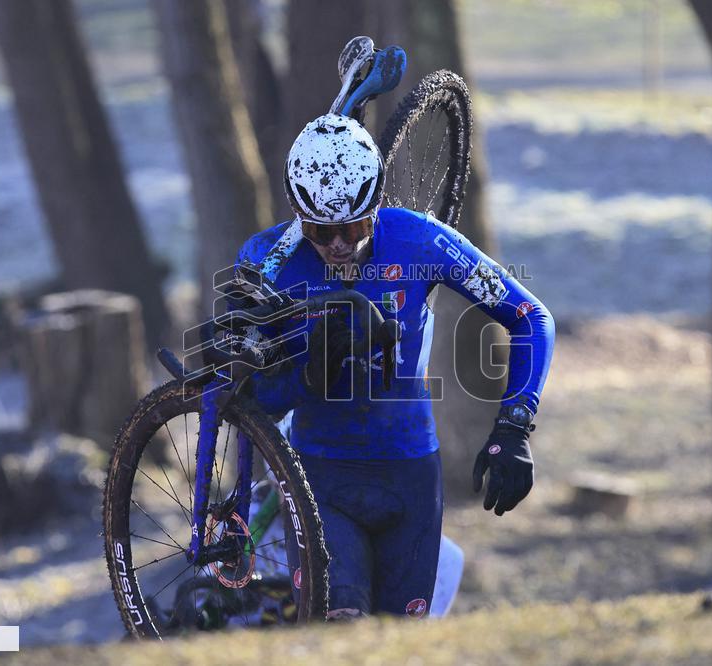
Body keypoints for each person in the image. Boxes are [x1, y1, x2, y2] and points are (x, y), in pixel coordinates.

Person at [233, 113, 554, 619]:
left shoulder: (418, 239)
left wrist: (514, 428)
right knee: (340, 635)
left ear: (377, 205)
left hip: (411, 482)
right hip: (320, 477)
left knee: (399, 647)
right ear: (297, 213)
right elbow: (251, 403)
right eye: (319, 230)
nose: (337, 244)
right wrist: (309, 372)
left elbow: (529, 317)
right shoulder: (265, 261)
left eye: (354, 226)